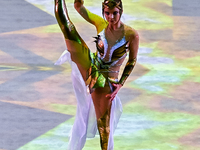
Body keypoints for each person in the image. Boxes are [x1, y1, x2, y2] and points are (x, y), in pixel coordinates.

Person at [54, 0, 139, 149]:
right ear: (103, 12)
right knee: (67, 27)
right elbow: (79, 8)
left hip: (106, 82)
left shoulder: (131, 35)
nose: (111, 17)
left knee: (104, 130)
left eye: (114, 13)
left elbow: (132, 60)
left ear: (121, 12)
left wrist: (120, 84)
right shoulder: (100, 23)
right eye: (107, 13)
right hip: (92, 67)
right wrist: (79, 2)